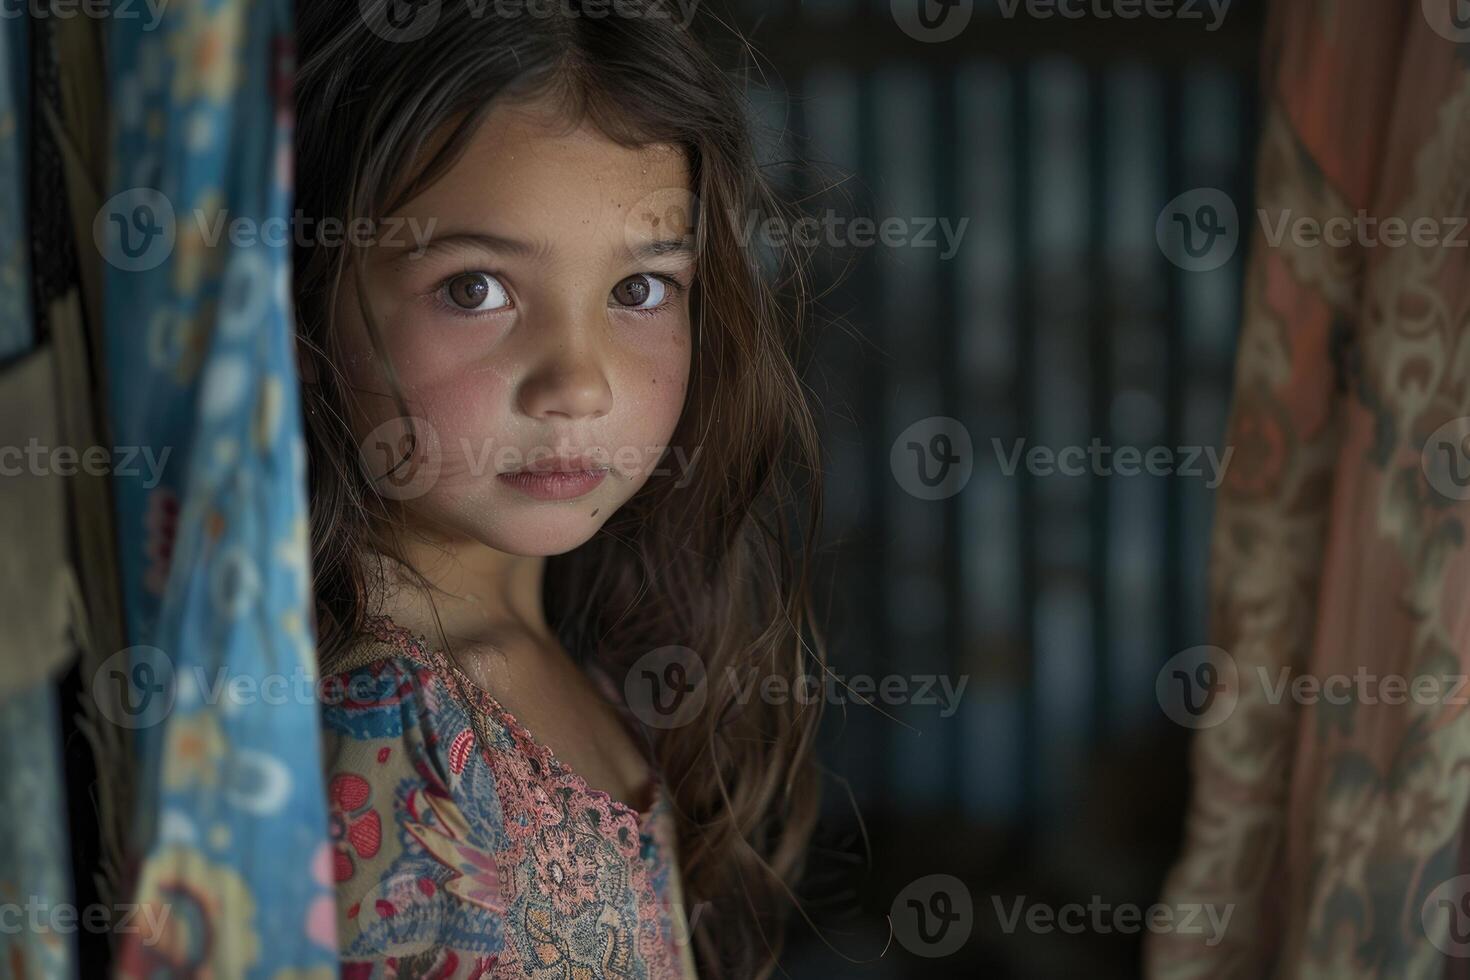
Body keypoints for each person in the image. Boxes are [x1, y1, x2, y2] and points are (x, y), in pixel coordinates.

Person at [292, 1, 827, 977]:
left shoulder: (575, 650)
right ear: (309, 312)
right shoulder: (383, 727)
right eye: (474, 289)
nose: (578, 383)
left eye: (639, 290)